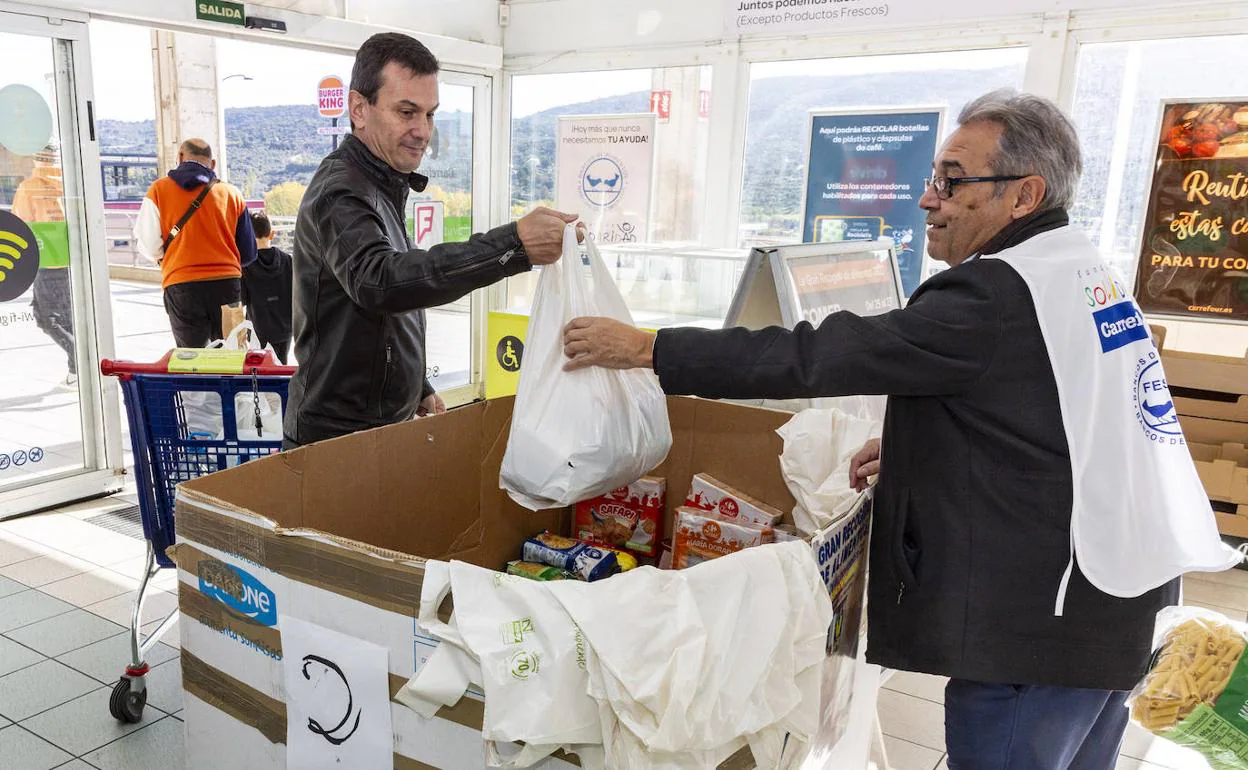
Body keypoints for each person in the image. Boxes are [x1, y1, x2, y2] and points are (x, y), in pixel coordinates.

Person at [559, 90, 1230, 769]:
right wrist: (926, 440)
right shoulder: (1078, 267)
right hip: (1120, 600)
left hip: (1043, 626)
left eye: (951, 180)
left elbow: (814, 355)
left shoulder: (993, 294)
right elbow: (1065, 406)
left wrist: (648, 348)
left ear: (1024, 195)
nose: (927, 199)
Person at [283, 32, 579, 449]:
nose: (423, 131)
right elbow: (380, 282)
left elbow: (384, 310)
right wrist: (512, 245)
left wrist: (414, 383)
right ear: (358, 109)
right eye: (406, 112)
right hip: (337, 436)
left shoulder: (381, 183)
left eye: (430, 114)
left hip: (375, 424)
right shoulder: (341, 192)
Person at [134, 138, 256, 348]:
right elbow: (248, 253)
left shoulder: (158, 190)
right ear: (213, 164)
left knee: (192, 359)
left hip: (182, 285)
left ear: (180, 157)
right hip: (227, 286)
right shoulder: (232, 194)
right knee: (231, 356)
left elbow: (149, 245)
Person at [11, 143, 76, 386]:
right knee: (68, 318)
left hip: (46, 261)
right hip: (71, 262)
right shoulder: (69, 185)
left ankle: (78, 362)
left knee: (46, 318)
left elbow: (21, 226)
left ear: (37, 160)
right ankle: (76, 368)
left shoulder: (29, 188)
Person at [242, 210, 293, 363]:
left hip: (259, 331)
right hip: (285, 329)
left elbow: (242, 300)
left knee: (261, 372)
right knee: (281, 367)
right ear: (272, 234)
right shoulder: (288, 260)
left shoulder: (246, 265)